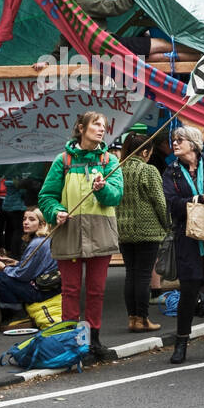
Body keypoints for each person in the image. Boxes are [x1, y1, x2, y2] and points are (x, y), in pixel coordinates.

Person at [38, 110, 125, 360]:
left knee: (97, 291)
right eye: (96, 124)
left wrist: (102, 188)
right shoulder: (62, 161)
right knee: (71, 290)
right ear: (81, 128)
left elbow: (116, 196)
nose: (101, 129)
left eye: (104, 126)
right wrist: (56, 212)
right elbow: (46, 196)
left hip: (101, 235)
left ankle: (94, 342)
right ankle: (71, 344)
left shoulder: (110, 161)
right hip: (69, 233)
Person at [163, 126, 204, 364]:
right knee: (188, 291)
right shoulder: (171, 172)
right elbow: (173, 205)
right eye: (174, 140)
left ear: (194, 143)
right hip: (187, 238)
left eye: (180, 140)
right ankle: (181, 344)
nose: (175, 143)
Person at [67, 0, 198, 60]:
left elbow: (65, 38)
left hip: (102, 52)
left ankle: (200, 57)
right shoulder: (82, 3)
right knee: (162, 44)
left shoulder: (71, 12)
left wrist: (51, 60)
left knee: (153, 58)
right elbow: (116, 6)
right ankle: (201, 51)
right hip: (110, 45)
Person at [117, 133, 170, 334]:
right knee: (143, 275)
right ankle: (143, 319)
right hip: (147, 230)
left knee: (130, 274)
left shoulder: (118, 170)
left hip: (124, 230)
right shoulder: (148, 170)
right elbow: (160, 201)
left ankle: (132, 318)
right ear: (145, 152)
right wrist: (167, 224)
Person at [0, 207, 55, 320]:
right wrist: (15, 263)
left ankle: (16, 313)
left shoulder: (37, 243)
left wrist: (4, 268)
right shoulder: (43, 239)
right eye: (24, 219)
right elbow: (35, 266)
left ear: (41, 224)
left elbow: (23, 275)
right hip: (48, 287)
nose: (26, 222)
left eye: (31, 219)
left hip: (42, 291)